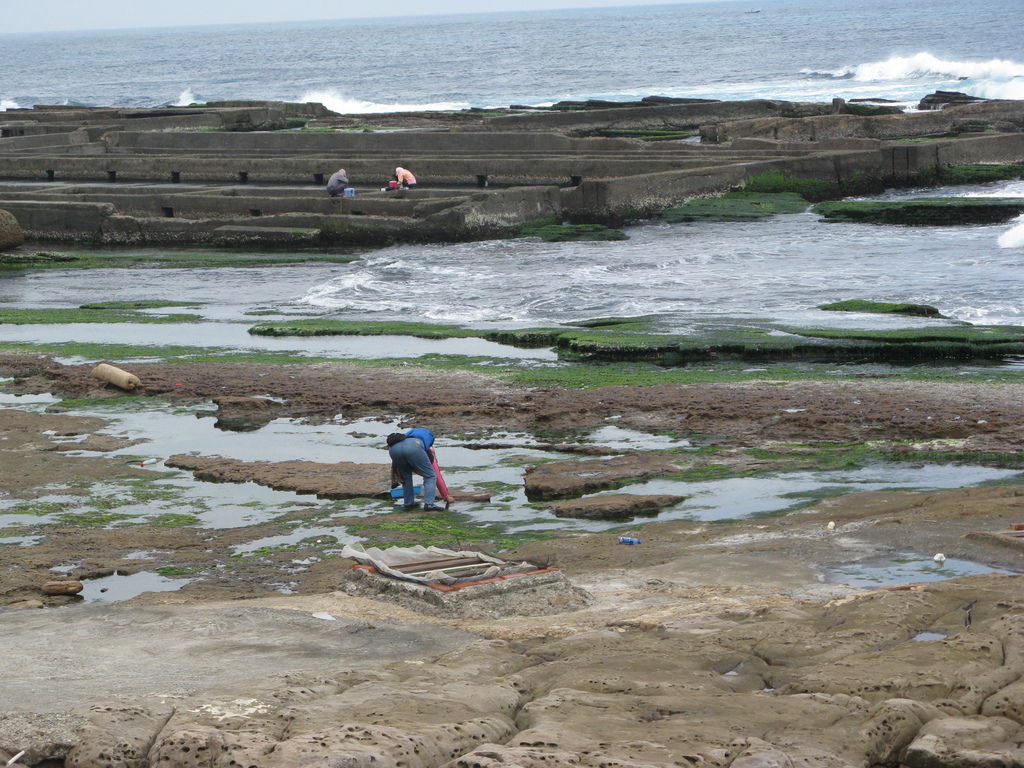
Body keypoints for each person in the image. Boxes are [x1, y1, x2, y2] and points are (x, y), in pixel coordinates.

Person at [386, 428, 452, 511]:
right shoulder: (429, 437)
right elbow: (430, 460)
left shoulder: (406, 435)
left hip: (393, 450)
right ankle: (429, 504)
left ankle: (409, 503)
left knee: (406, 477)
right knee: (430, 475)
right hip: (414, 446)